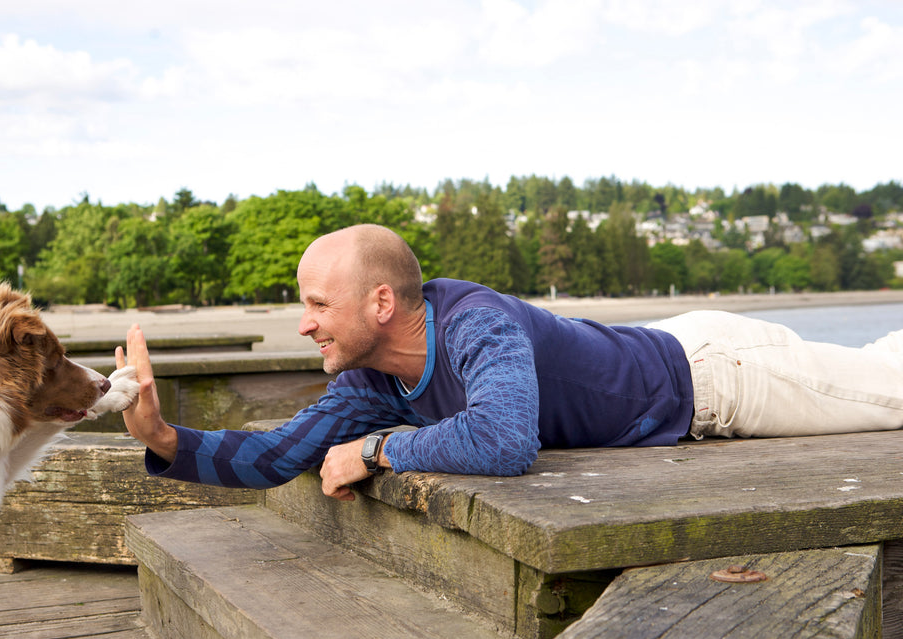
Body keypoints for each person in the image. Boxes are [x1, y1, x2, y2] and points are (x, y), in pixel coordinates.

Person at [116, 224, 903, 501]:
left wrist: (378, 449)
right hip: (681, 355)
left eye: (319, 304)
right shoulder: (372, 377)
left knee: (892, 392)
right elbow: (278, 454)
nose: (303, 323)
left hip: (719, 377)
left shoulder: (476, 323)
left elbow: (502, 441)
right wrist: (162, 437)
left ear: (382, 304)